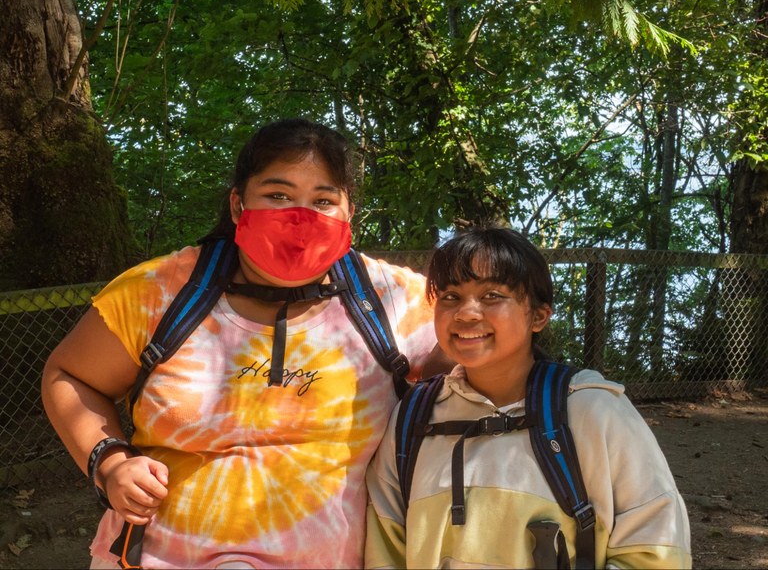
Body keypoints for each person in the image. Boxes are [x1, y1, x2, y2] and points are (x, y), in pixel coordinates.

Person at [41, 118, 448, 569]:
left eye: (323, 200)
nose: (300, 215)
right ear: (237, 205)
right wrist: (110, 462)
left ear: (349, 212)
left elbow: (486, 369)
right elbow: (69, 375)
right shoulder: (158, 293)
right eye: (278, 195)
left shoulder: (396, 301)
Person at [364, 226, 692, 569]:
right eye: (451, 297)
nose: (466, 313)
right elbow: (385, 550)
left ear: (538, 316)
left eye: (492, 296)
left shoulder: (592, 410)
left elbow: (655, 549)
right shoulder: (412, 418)